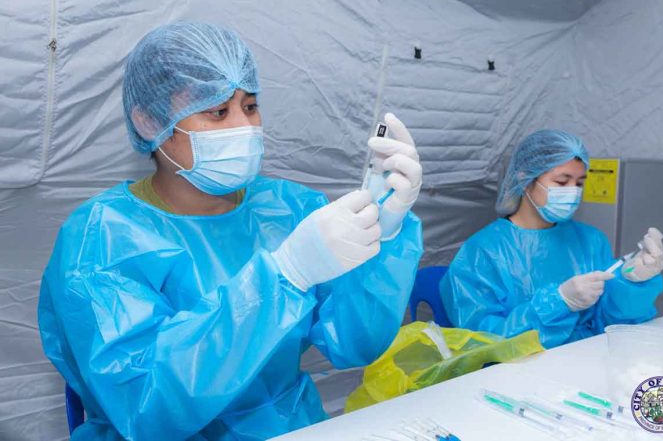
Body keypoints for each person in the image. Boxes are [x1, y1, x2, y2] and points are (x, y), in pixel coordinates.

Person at [38, 22, 424, 441]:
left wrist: (384, 235)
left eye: (251, 106)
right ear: (150, 123)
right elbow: (147, 406)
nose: (244, 126)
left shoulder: (289, 208)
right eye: (217, 111)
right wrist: (284, 276)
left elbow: (354, 345)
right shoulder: (102, 238)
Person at [440, 129, 663, 348]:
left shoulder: (590, 240)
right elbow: (483, 342)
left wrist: (632, 283)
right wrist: (557, 303)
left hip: (584, 361)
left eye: (579, 183)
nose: (573, 191)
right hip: (516, 374)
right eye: (561, 181)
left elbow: (610, 322)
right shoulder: (483, 251)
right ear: (525, 179)